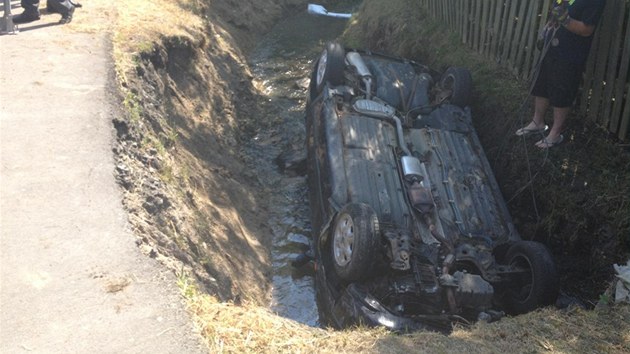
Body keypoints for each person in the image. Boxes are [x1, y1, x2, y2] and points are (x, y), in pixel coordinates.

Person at [515, 0, 606, 148]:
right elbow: (560, 7)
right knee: (542, 84)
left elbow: (586, 29)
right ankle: (537, 122)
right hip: (553, 46)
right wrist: (550, 24)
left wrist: (565, 20)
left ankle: (555, 134)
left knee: (562, 91)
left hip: (570, 53)